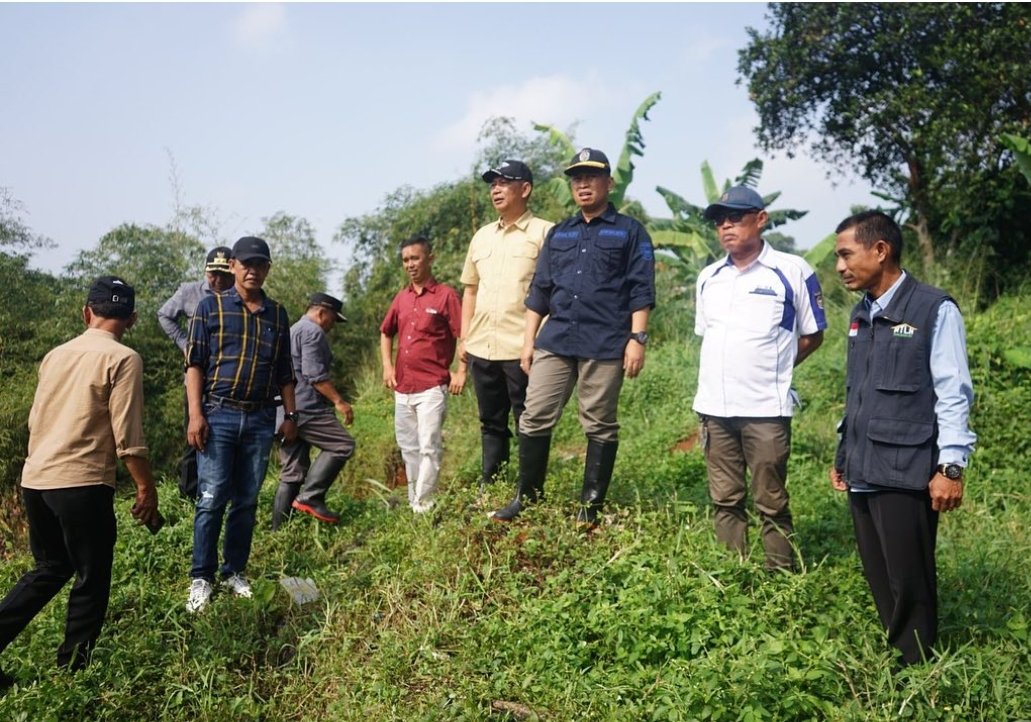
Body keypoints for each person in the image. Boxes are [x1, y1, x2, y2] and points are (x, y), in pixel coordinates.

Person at [830, 210, 975, 666]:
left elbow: (953, 391)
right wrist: (843, 453)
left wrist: (950, 465)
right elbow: (858, 392)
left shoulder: (933, 308)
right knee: (879, 572)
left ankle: (918, 665)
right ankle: (900, 652)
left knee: (909, 574)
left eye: (845, 254)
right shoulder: (861, 314)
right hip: (863, 464)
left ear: (880, 250)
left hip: (906, 467)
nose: (839, 266)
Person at [0, 276, 160, 684]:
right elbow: (128, 437)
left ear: (86, 313)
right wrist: (146, 487)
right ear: (133, 318)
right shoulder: (124, 359)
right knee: (92, 576)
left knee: (50, 568)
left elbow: (36, 419)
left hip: (35, 479)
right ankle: (73, 674)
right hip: (81, 482)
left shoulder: (55, 355)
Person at [490, 147, 655, 526]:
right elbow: (540, 289)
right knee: (533, 417)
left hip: (606, 342)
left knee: (598, 421)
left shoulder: (630, 232)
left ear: (608, 183)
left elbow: (641, 288)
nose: (583, 183)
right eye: (577, 177)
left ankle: (590, 508)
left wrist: (637, 338)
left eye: (591, 176)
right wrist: (529, 341)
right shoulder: (560, 232)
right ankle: (527, 498)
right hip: (557, 339)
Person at [693, 185, 827, 571]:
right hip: (714, 408)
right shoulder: (709, 277)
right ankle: (732, 574)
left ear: (761, 219)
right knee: (725, 497)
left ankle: (779, 575)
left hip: (765, 408)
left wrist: (777, 366)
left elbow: (812, 333)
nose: (726, 226)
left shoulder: (791, 270)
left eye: (735, 217)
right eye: (720, 220)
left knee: (771, 497)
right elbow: (709, 335)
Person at [184, 236, 298, 613]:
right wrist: (196, 415)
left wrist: (291, 416)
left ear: (268, 269)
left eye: (260, 264)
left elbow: (285, 370)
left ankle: (234, 571)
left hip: (261, 416)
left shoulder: (278, 314)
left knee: (246, 501)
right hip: (219, 413)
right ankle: (202, 576)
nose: (252, 270)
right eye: (245, 263)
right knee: (212, 498)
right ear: (232, 265)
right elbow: (195, 365)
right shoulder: (210, 307)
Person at [460, 160, 554, 489]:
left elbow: (554, 292)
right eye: (492, 184)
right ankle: (493, 483)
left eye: (504, 182)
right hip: (482, 344)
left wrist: (541, 340)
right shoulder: (482, 236)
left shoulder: (545, 232)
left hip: (523, 346)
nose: (496, 189)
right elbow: (470, 290)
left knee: (529, 419)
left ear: (525, 189)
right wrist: (464, 340)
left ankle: (529, 490)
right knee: (490, 422)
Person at [379, 236, 465, 513]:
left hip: (431, 386)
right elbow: (385, 332)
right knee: (409, 448)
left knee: (429, 446)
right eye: (405, 260)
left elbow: (464, 335)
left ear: (430, 257)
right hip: (402, 387)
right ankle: (415, 500)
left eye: (415, 258)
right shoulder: (401, 298)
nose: (410, 265)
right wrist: (387, 367)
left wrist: (461, 371)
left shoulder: (446, 296)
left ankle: (423, 505)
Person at [272, 292, 356, 529]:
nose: (332, 326)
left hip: (284, 411)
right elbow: (314, 375)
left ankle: (278, 532)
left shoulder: (293, 330)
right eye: (332, 319)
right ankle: (311, 497)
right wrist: (340, 402)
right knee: (343, 445)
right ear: (322, 313)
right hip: (305, 408)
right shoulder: (312, 331)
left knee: (292, 472)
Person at [157, 246, 234, 499]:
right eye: (214, 274)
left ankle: (219, 493)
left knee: (226, 441)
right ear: (205, 271)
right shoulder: (189, 291)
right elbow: (164, 315)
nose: (218, 280)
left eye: (224, 274)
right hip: (196, 379)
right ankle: (188, 495)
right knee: (194, 438)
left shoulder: (239, 296)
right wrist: (185, 344)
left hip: (229, 381)